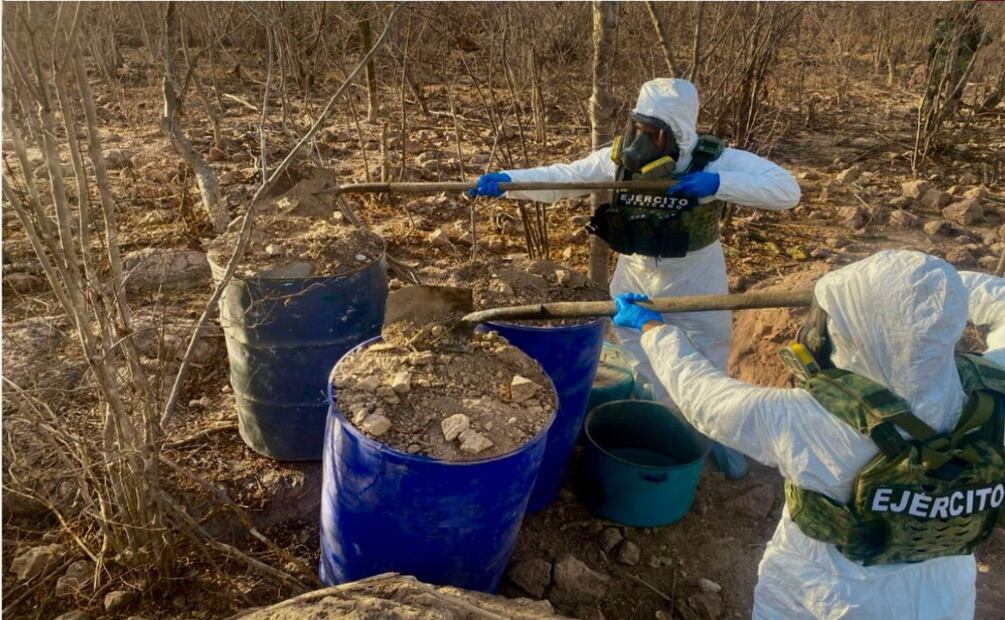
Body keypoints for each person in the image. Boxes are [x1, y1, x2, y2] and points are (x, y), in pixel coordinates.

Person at [612, 250, 1005, 618]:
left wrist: (653, 330)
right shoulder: (994, 393)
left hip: (826, 596)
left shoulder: (812, 419)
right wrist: (931, 290)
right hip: (943, 594)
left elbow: (704, 397)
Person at [469, 78, 801, 478]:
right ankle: (654, 425)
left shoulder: (715, 160)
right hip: (636, 275)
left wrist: (720, 184)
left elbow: (787, 191)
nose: (642, 141)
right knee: (639, 357)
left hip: (696, 276)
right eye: (639, 129)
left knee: (708, 357)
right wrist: (509, 182)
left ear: (676, 134)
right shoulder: (619, 160)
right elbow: (566, 178)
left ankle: (718, 434)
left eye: (653, 134)